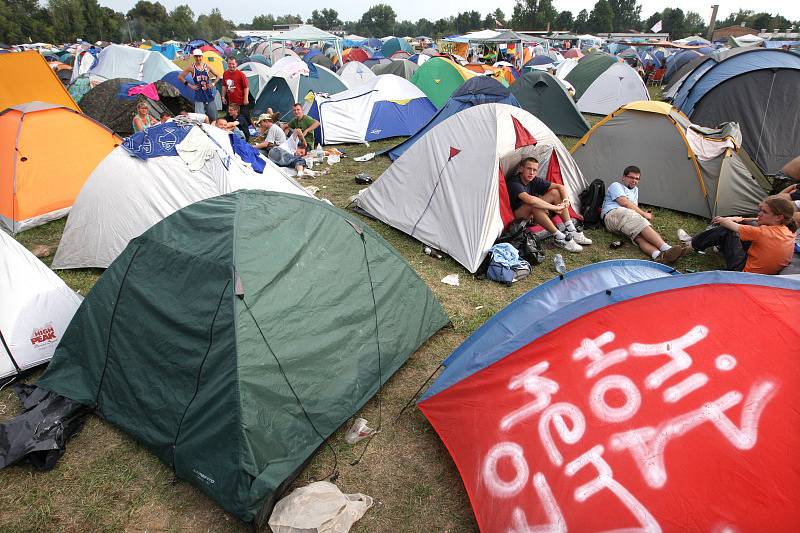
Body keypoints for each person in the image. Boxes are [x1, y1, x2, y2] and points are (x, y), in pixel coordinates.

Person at [677, 196, 796, 274]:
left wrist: (726, 219)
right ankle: (718, 245)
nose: (759, 214)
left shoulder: (764, 232)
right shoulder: (788, 229)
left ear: (778, 217)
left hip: (742, 273)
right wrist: (738, 218)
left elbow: (730, 225)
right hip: (762, 277)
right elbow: (754, 219)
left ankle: (692, 243)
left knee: (728, 230)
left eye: (764, 212)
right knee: (749, 226)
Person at [601, 165, 685, 263]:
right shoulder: (616, 185)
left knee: (639, 236)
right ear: (623, 177)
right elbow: (624, 203)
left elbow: (633, 208)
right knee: (639, 221)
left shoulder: (635, 190)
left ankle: (658, 256)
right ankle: (667, 248)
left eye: (637, 179)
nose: (634, 181)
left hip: (622, 220)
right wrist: (644, 214)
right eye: (631, 177)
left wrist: (641, 215)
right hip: (612, 215)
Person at [507, 157, 592, 253]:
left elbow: (560, 186)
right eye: (528, 168)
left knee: (555, 192)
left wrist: (566, 200)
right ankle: (560, 238)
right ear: (521, 169)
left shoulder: (533, 179)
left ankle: (572, 230)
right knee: (534, 204)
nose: (531, 172)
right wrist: (554, 207)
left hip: (533, 212)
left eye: (534, 170)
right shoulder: (514, 182)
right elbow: (530, 200)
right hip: (518, 217)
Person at [178, 49, 218, 121]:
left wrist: (213, 83)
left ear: (202, 57)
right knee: (200, 117)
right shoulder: (192, 67)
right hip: (198, 94)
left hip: (208, 93)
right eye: (196, 57)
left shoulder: (207, 66)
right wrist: (190, 86)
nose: (198, 58)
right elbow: (180, 77)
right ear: (194, 57)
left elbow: (218, 75)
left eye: (199, 56)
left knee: (214, 116)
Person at [221, 57, 250, 123]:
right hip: (231, 102)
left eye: (233, 64)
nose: (231, 66)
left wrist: (246, 98)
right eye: (229, 64)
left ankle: (252, 131)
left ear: (236, 64)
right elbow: (224, 86)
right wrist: (223, 96)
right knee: (230, 118)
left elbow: (246, 87)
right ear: (227, 64)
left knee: (246, 118)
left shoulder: (241, 74)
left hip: (241, 101)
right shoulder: (225, 74)